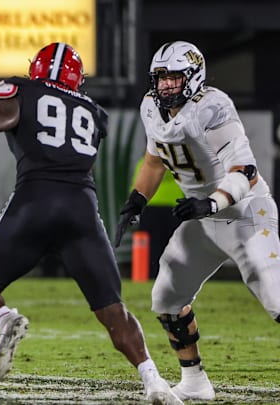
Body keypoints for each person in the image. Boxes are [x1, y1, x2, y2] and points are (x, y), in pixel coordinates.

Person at [0, 42, 182, 404]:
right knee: (112, 308)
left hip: (35, 199)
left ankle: (5, 319)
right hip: (83, 209)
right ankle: (154, 379)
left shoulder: (23, 92)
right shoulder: (94, 112)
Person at [114, 40, 280, 401]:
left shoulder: (212, 106)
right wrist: (136, 200)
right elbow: (155, 161)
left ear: (193, 77)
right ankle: (194, 381)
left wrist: (212, 203)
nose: (166, 85)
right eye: (161, 77)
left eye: (175, 77)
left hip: (244, 210)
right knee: (167, 294)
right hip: (202, 215)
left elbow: (246, 171)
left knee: (276, 297)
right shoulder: (150, 108)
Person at [131, 157, 184, 278]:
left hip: (150, 207)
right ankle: (173, 277)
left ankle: (152, 275)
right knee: (174, 245)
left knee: (152, 246)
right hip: (173, 205)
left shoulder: (144, 163)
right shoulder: (175, 163)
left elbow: (137, 187)